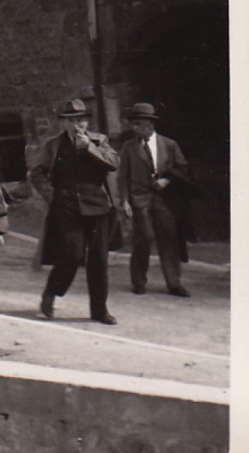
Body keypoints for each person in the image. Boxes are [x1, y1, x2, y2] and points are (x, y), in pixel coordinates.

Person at [30, 92, 119, 324]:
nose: (76, 125)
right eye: (70, 120)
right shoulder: (53, 145)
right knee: (72, 254)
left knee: (99, 259)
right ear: (63, 122)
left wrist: (89, 147)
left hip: (97, 207)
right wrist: (52, 196)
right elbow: (37, 173)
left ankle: (99, 310)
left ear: (87, 122)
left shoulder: (99, 141)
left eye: (80, 120)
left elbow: (112, 163)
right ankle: (51, 293)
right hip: (67, 208)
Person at [116, 101, 192, 298]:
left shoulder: (169, 144)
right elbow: (123, 175)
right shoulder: (128, 147)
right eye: (133, 124)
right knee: (145, 238)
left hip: (164, 200)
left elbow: (182, 169)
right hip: (139, 199)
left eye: (137, 124)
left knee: (169, 239)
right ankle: (139, 281)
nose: (134, 128)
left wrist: (166, 180)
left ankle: (174, 284)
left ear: (149, 125)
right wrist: (124, 201)